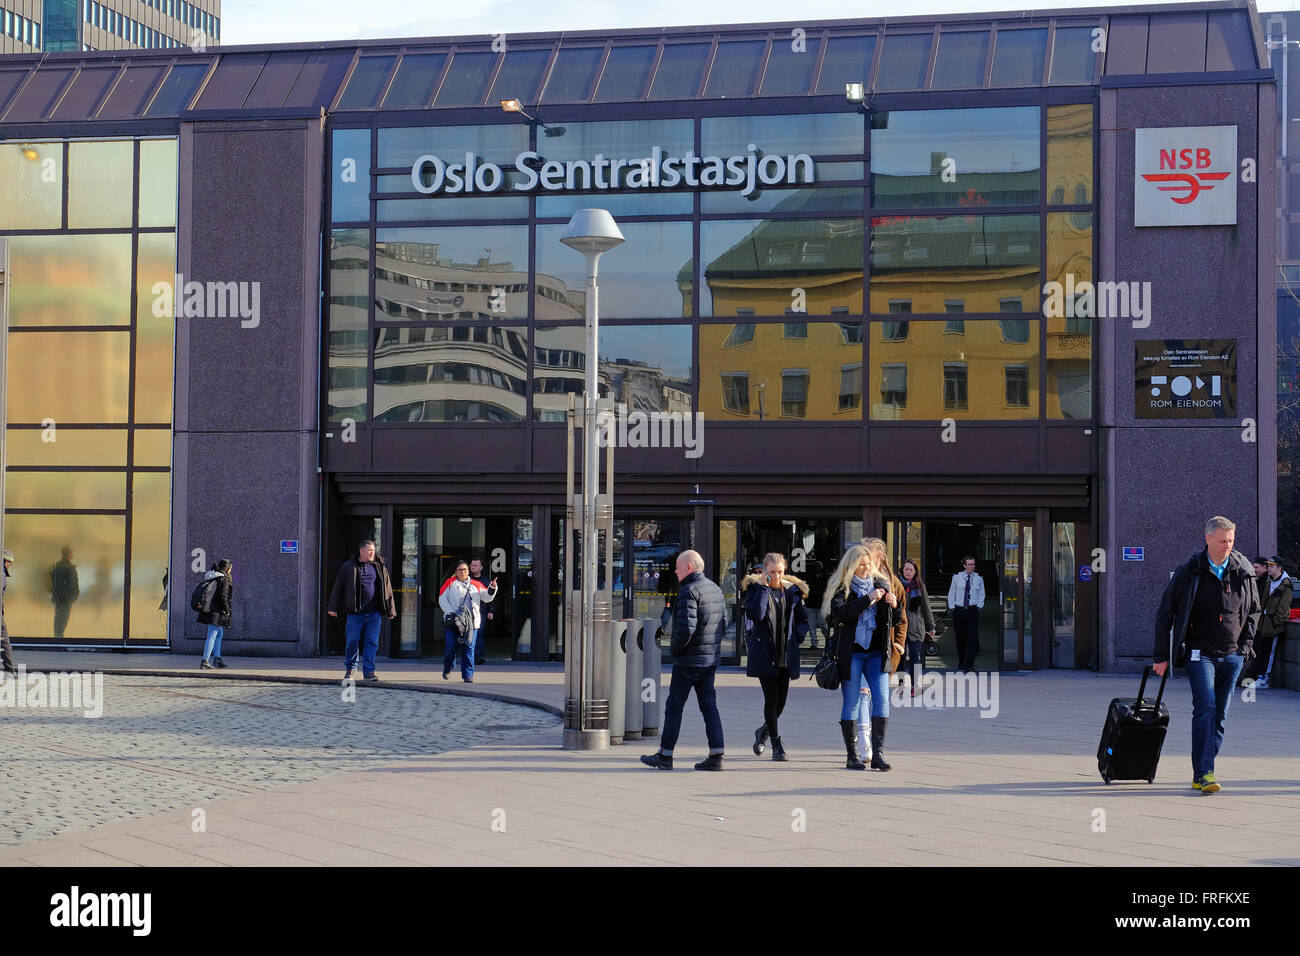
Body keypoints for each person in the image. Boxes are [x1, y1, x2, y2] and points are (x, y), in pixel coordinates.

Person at [1153, 516, 1261, 795]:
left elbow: (1254, 612)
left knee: (1221, 715)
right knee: (1206, 707)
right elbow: (1166, 612)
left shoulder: (1243, 570)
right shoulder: (1190, 570)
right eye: (1223, 540)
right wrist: (1161, 656)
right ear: (1208, 538)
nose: (1228, 545)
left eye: (1232, 540)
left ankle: (1203, 769)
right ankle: (1204, 773)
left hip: (1233, 654)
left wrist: (1246, 647)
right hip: (1200, 653)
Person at [641, 550, 727, 771]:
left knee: (674, 707)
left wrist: (674, 650)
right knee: (710, 706)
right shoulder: (715, 589)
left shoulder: (688, 591)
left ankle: (665, 755)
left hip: (689, 661)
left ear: (689, 567)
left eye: (678, 568)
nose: (676, 572)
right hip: (709, 660)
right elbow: (723, 626)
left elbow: (685, 631)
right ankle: (716, 754)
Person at [825, 542, 906, 771]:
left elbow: (894, 619)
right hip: (852, 654)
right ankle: (852, 755)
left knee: (881, 699)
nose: (864, 569)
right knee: (852, 702)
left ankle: (878, 753)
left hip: (875, 653)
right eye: (860, 566)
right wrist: (867, 598)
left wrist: (894, 605)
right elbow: (841, 613)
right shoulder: (842, 587)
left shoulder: (881, 583)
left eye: (867, 565)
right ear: (850, 566)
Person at [741, 552, 809, 761]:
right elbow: (756, 614)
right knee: (771, 700)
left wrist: (797, 637)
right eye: (772, 572)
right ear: (764, 571)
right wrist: (763, 587)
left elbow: (803, 620)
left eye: (780, 571)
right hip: (765, 652)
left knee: (781, 702)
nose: (777, 576)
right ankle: (776, 745)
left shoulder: (792, 592)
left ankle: (762, 731)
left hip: (786, 653)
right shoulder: (755, 590)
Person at [327, 540, 397, 683]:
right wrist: (332, 607)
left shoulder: (380, 567)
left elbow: (387, 589)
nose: (372, 553)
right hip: (355, 613)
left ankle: (369, 671)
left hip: (374, 613)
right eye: (369, 550)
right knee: (352, 641)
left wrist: (391, 609)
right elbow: (338, 587)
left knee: (372, 642)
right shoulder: (348, 567)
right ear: (361, 551)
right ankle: (351, 669)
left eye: (373, 550)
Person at [438, 560, 497, 683]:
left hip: (471, 623)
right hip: (453, 622)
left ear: (468, 571)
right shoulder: (449, 583)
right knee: (450, 647)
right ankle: (448, 667)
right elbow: (442, 599)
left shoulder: (476, 584)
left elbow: (486, 597)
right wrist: (451, 613)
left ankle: (468, 675)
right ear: (456, 571)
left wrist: (492, 587)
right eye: (460, 570)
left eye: (465, 569)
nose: (463, 572)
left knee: (469, 648)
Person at [1250, 555, 1292, 689]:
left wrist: (1276, 622)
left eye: (1272, 566)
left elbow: (1284, 607)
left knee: (1269, 652)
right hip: (1265, 622)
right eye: (1268, 566)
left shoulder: (1285, 584)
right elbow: (1264, 603)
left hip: (1273, 625)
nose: (1269, 568)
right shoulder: (1270, 581)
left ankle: (1264, 678)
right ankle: (1260, 677)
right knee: (1263, 650)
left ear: (1280, 568)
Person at [900, 557, 936, 696]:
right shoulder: (897, 584)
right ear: (902, 571)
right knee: (901, 659)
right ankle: (901, 685)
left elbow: (926, 607)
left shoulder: (920, 586)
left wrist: (931, 626)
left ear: (915, 572)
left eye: (911, 569)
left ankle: (916, 686)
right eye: (906, 569)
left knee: (915, 657)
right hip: (900, 628)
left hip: (916, 627)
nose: (908, 572)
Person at [946, 555, 985, 672]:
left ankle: (970, 664)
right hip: (959, 610)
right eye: (969, 564)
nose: (971, 567)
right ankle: (961, 662)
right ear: (964, 565)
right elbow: (951, 593)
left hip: (972, 610)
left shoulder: (978, 578)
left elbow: (982, 593)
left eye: (973, 564)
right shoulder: (956, 577)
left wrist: (979, 607)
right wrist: (952, 608)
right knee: (960, 638)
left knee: (972, 638)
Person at [197, 560, 233, 670]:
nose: (231, 571)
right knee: (212, 635)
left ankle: (217, 658)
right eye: (230, 568)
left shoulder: (212, 577)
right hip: (216, 612)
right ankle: (205, 660)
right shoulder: (223, 580)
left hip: (209, 610)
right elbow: (223, 597)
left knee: (218, 634)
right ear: (227, 569)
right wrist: (227, 610)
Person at [50, 546, 79, 640]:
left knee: (58, 619)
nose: (73, 555)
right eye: (71, 553)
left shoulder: (56, 566)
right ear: (68, 554)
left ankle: (57, 637)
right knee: (63, 619)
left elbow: (52, 581)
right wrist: (74, 595)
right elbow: (72, 584)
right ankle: (59, 639)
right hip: (66, 599)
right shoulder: (69, 568)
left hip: (57, 597)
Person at [469, 556, 493, 666]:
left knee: (479, 634)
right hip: (468, 611)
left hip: (481, 611)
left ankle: (479, 656)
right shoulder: (466, 579)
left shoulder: (485, 581)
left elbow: (490, 597)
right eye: (472, 565)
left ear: (481, 567)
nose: (472, 567)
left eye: (475, 565)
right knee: (469, 634)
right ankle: (470, 656)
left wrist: (490, 611)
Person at [2, 550, 19, 677]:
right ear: (5, 561)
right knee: (4, 640)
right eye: (9, 563)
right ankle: (9, 669)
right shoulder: (1, 574)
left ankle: (9, 668)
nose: (9, 566)